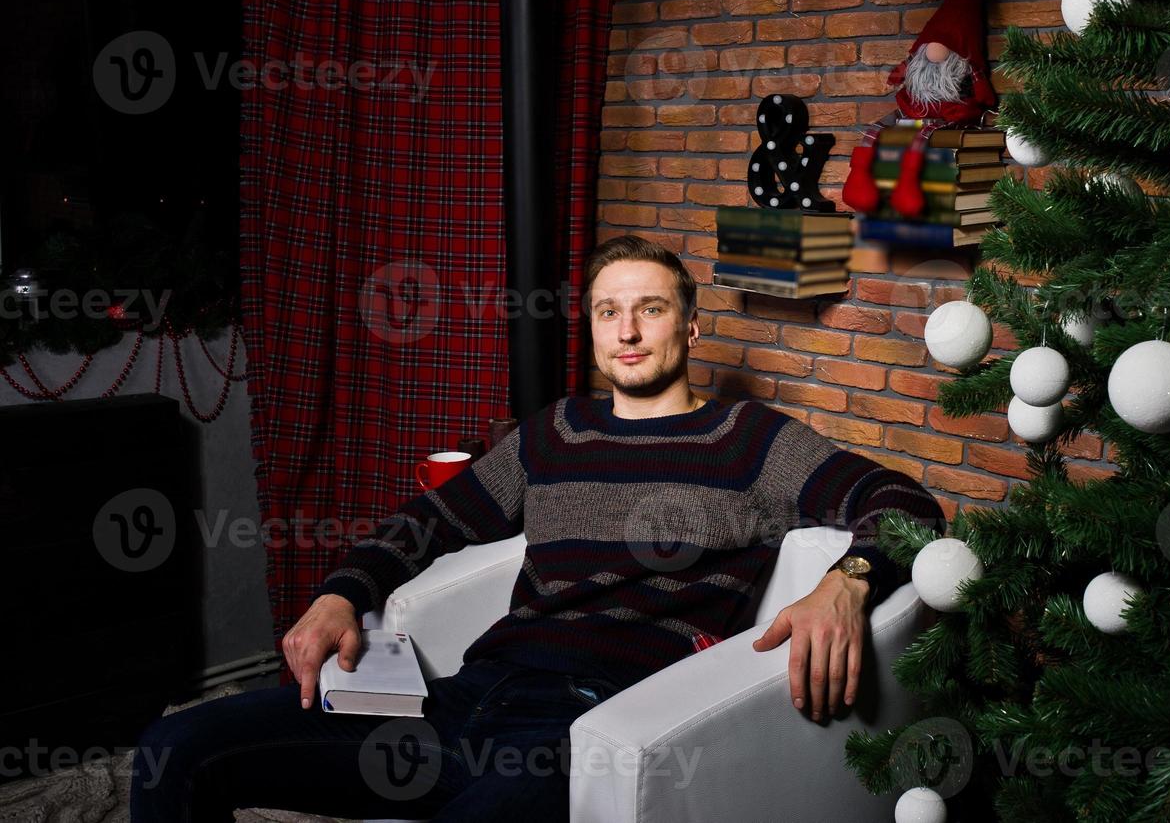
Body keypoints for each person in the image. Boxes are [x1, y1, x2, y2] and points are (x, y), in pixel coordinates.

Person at [131, 234, 948, 821]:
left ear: (690, 328)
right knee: (175, 750)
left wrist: (846, 584)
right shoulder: (555, 432)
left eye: (650, 310)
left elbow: (904, 505)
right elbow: (430, 521)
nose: (626, 332)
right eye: (607, 313)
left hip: (585, 724)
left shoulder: (750, 440)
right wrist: (343, 595)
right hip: (461, 698)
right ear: (591, 331)